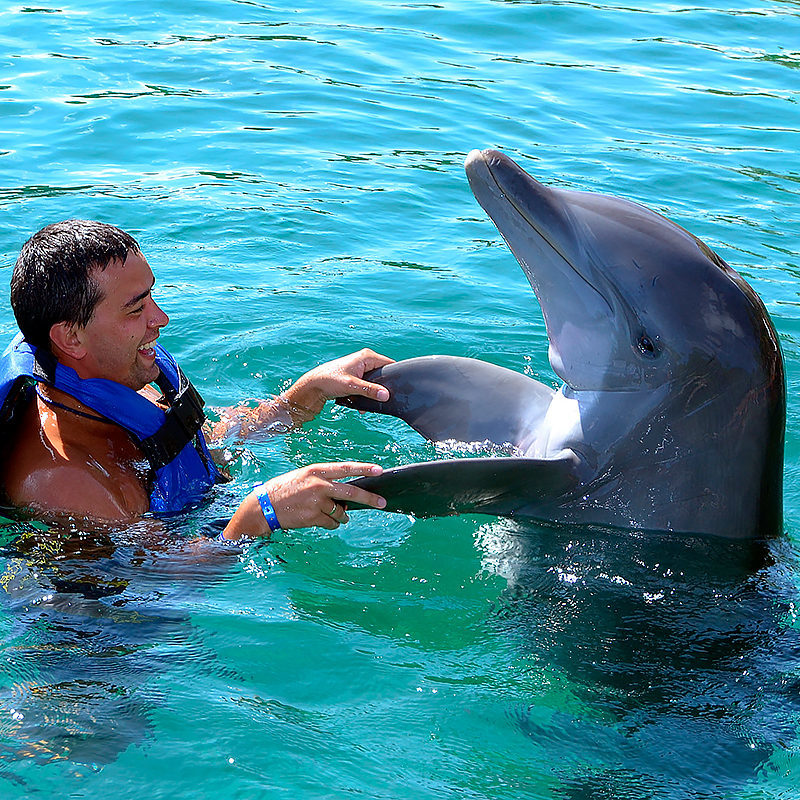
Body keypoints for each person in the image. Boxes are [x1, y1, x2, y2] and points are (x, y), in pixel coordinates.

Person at [0, 219, 392, 540]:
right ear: (70, 337)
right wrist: (261, 514)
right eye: (136, 309)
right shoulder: (66, 482)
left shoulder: (113, 383)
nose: (161, 318)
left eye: (150, 295)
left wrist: (302, 397)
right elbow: (156, 587)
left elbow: (203, 443)